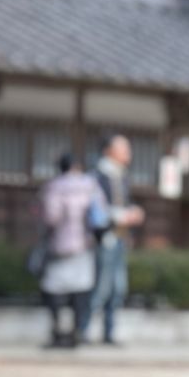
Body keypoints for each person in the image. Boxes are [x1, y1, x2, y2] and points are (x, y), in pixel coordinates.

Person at [80, 134, 145, 347]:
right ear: (108, 151)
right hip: (103, 239)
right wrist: (121, 215)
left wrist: (132, 212)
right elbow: (94, 211)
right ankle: (85, 330)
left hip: (121, 239)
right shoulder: (96, 176)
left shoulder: (123, 176)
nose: (128, 153)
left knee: (118, 287)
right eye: (123, 149)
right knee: (100, 286)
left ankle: (109, 332)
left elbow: (124, 203)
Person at [38, 153, 104, 349]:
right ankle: (77, 330)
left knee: (54, 288)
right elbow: (101, 215)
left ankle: (58, 331)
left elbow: (50, 217)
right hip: (85, 245)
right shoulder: (91, 185)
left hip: (60, 246)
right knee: (81, 289)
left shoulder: (54, 187)